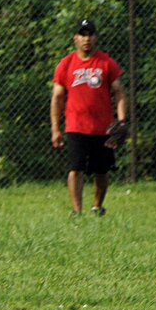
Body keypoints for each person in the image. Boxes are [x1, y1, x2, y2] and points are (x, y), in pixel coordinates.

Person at [50, 19, 127, 217]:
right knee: (76, 168)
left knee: (101, 170)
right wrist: (56, 129)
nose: (86, 39)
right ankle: (77, 211)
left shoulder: (106, 63)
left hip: (103, 127)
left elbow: (119, 92)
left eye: (90, 34)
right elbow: (58, 98)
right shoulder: (66, 64)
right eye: (82, 35)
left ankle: (96, 207)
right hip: (76, 126)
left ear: (96, 38)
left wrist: (121, 120)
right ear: (75, 38)